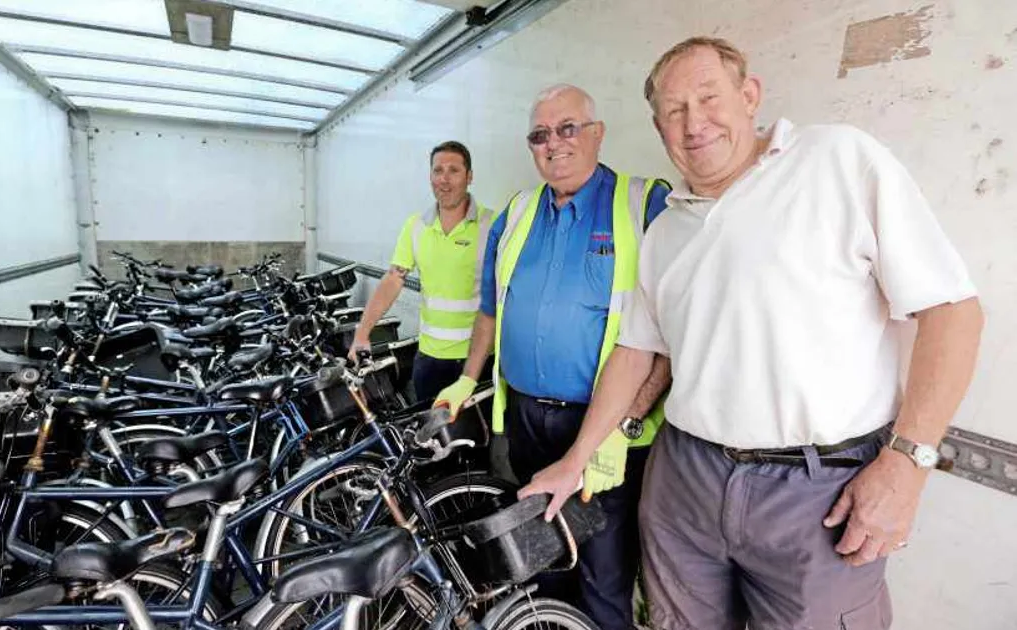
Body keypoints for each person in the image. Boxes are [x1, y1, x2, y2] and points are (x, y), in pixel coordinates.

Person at [521, 37, 984, 630]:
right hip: (685, 477)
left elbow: (952, 310)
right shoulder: (667, 229)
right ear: (658, 127)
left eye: (708, 98)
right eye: (674, 111)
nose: (694, 123)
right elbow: (637, 350)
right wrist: (577, 459)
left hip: (818, 494)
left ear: (749, 96)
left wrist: (908, 464)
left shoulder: (837, 160)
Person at [434, 84, 672, 630]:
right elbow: (490, 313)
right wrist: (467, 379)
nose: (554, 144)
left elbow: (672, 338)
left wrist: (626, 422)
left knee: (604, 576)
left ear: (597, 133)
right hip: (524, 422)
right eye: (540, 135)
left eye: (568, 129)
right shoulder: (515, 214)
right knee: (542, 568)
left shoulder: (643, 205)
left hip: (605, 429)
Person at [349, 141, 494, 402]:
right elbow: (393, 279)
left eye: (454, 171)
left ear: (469, 176)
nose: (444, 180)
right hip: (428, 359)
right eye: (438, 171)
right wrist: (362, 332)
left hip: (477, 362)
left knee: (470, 442)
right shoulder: (415, 226)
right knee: (428, 439)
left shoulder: (491, 225)